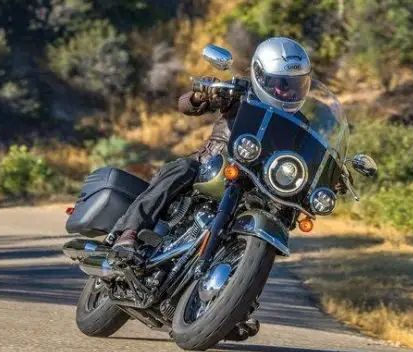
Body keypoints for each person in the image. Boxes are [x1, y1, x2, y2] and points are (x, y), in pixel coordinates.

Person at [110, 37, 313, 263]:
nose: (287, 91)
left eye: (295, 84)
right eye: (281, 83)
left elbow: (307, 158)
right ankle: (128, 233)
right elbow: (186, 105)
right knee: (182, 168)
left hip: (256, 184)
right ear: (261, 76)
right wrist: (202, 94)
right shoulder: (243, 93)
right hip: (212, 163)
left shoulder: (300, 124)